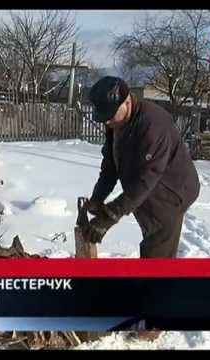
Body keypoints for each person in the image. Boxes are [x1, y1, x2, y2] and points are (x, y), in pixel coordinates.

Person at [85, 76, 200, 258]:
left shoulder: (153, 124)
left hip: (171, 190)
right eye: (104, 117)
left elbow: (146, 179)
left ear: (127, 101)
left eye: (110, 116)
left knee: (156, 248)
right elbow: (110, 165)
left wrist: (110, 216)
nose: (107, 122)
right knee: (148, 227)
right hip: (146, 184)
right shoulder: (115, 121)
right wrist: (97, 198)